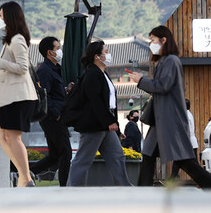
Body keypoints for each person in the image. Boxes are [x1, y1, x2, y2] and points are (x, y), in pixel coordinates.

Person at [129, 26, 211, 188]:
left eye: (153, 40)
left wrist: (141, 81)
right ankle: (142, 191)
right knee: (149, 155)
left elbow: (163, 85)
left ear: (163, 40)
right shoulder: (166, 61)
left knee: (184, 161)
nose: (151, 44)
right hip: (162, 119)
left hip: (168, 120)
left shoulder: (171, 60)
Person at [0, 0, 37, 187]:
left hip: (18, 97)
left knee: (13, 137)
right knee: (0, 135)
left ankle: (25, 178)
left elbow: (23, 68)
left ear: (10, 18)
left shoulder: (17, 39)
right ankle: (24, 174)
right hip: (10, 98)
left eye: (2, 16)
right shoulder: (10, 40)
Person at [66, 40, 131, 186]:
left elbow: (110, 104)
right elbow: (95, 101)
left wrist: (116, 126)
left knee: (117, 156)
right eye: (106, 52)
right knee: (84, 159)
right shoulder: (92, 74)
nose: (108, 55)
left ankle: (124, 187)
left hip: (104, 124)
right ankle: (73, 189)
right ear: (97, 56)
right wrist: (109, 122)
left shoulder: (103, 74)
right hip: (94, 124)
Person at [27, 36, 71, 186]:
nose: (60, 51)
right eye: (57, 48)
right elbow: (43, 94)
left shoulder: (54, 69)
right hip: (52, 117)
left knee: (54, 155)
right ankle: (65, 186)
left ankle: (26, 173)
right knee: (65, 152)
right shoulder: (45, 70)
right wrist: (55, 114)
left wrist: (66, 90)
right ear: (49, 52)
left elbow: (54, 92)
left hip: (56, 115)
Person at [169, 99, 200, 181]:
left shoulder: (185, 115)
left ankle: (203, 180)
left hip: (187, 142)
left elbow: (185, 130)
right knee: (179, 161)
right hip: (190, 142)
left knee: (181, 161)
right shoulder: (188, 114)